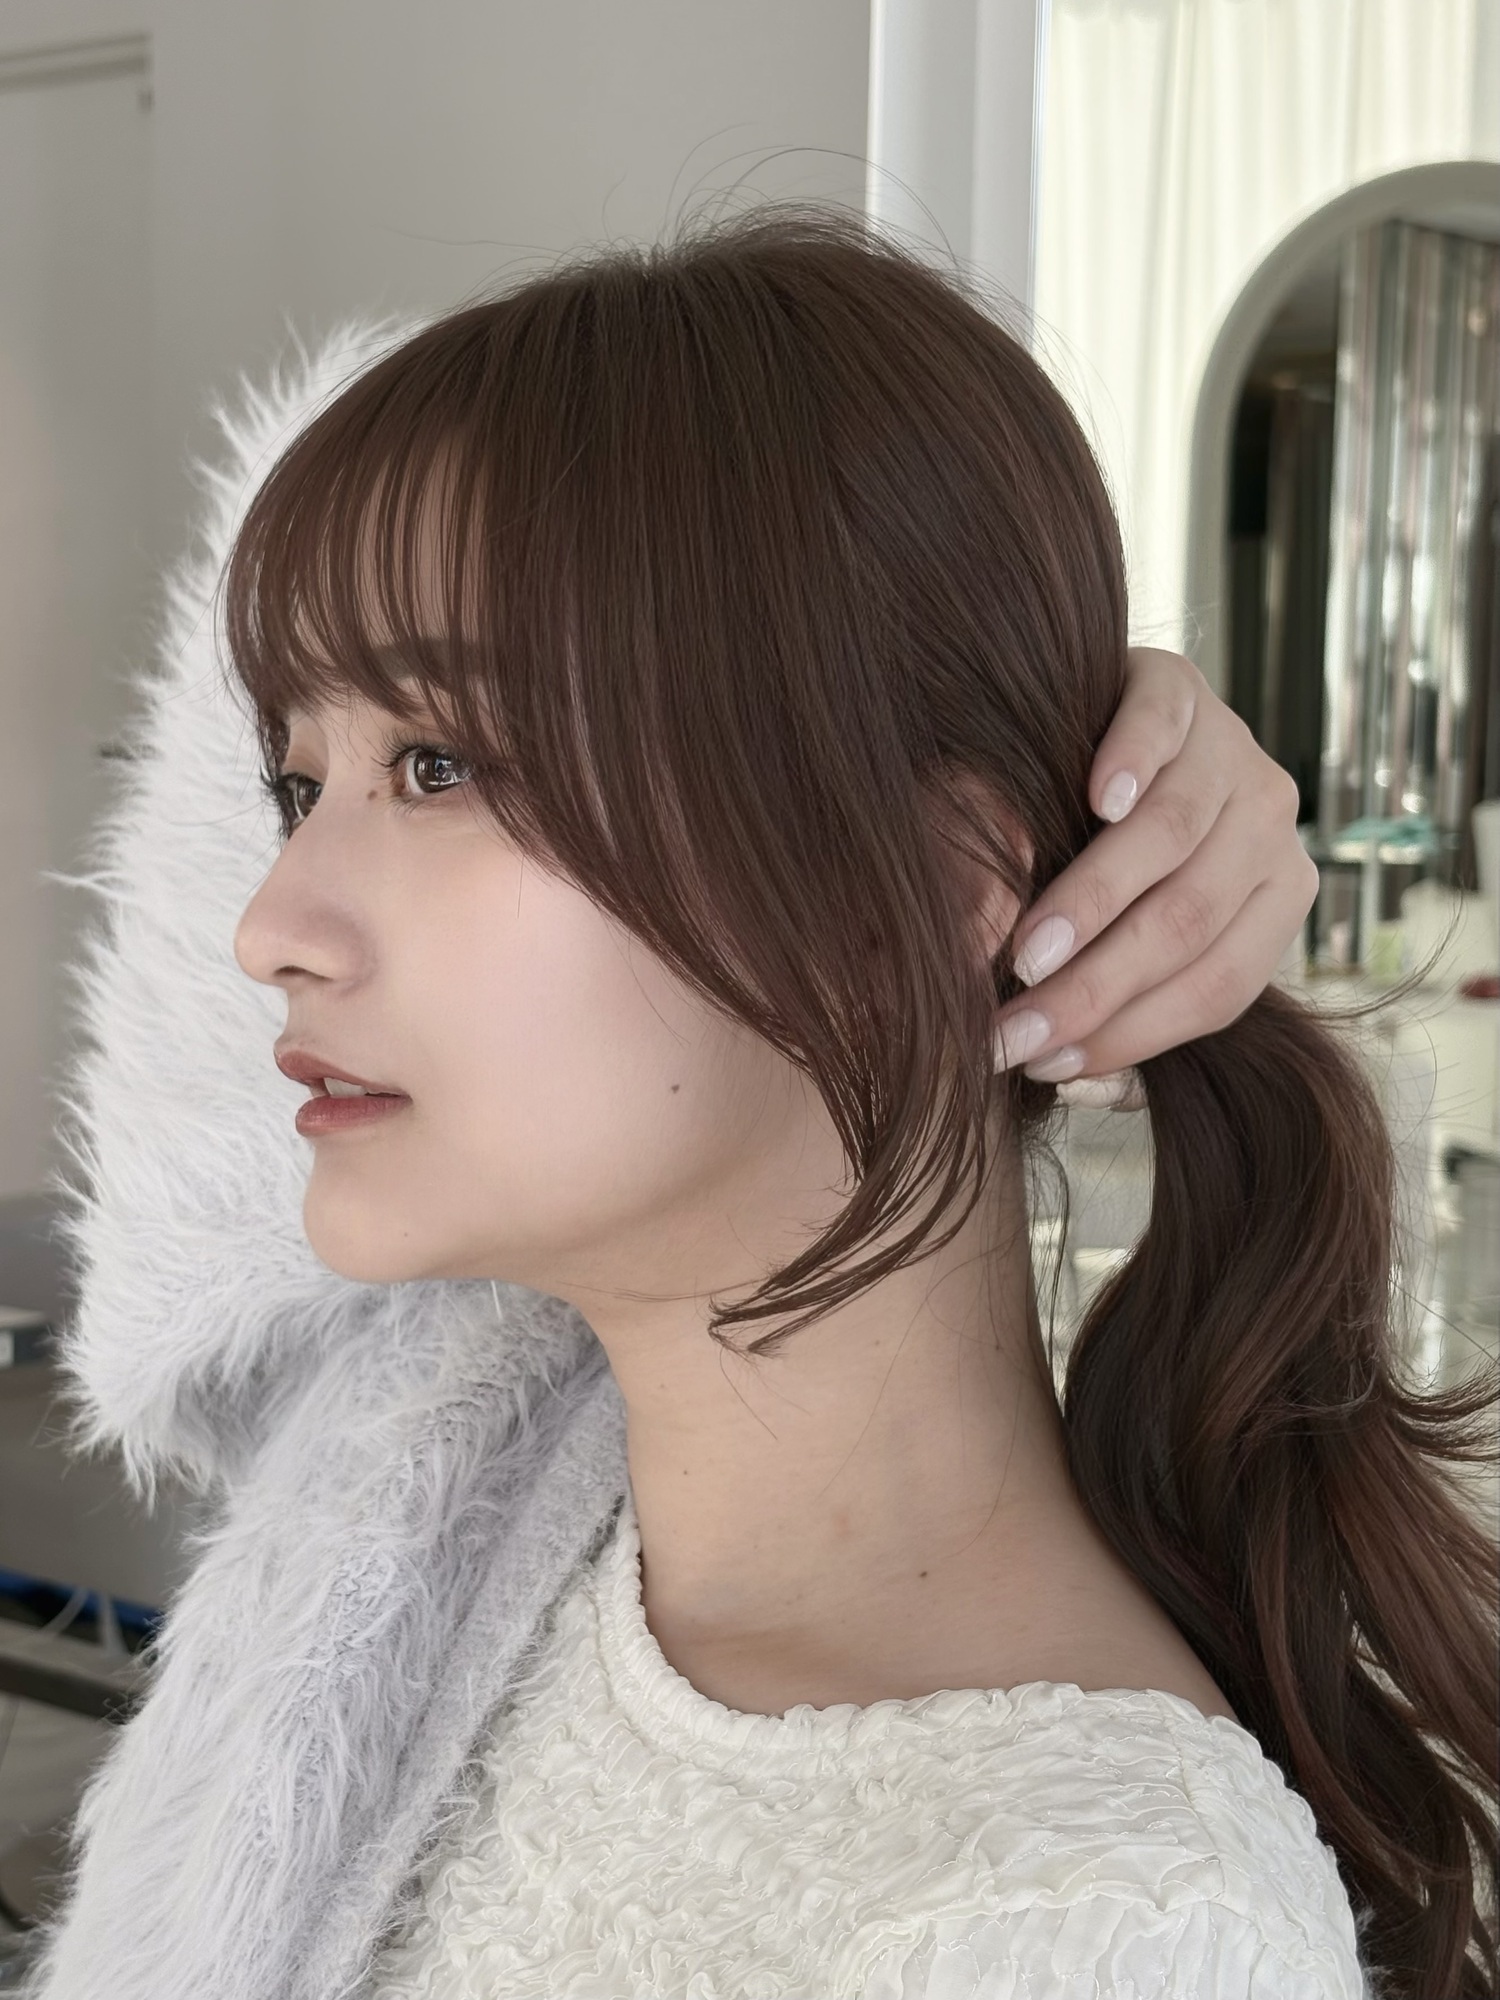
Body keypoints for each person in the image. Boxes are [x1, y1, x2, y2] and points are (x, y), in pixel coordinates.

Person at [27, 203, 1494, 2000]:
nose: (266, 925)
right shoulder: (464, 1496)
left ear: (936, 875)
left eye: (440, 761)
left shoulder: (1084, 1932)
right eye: (295, 785)